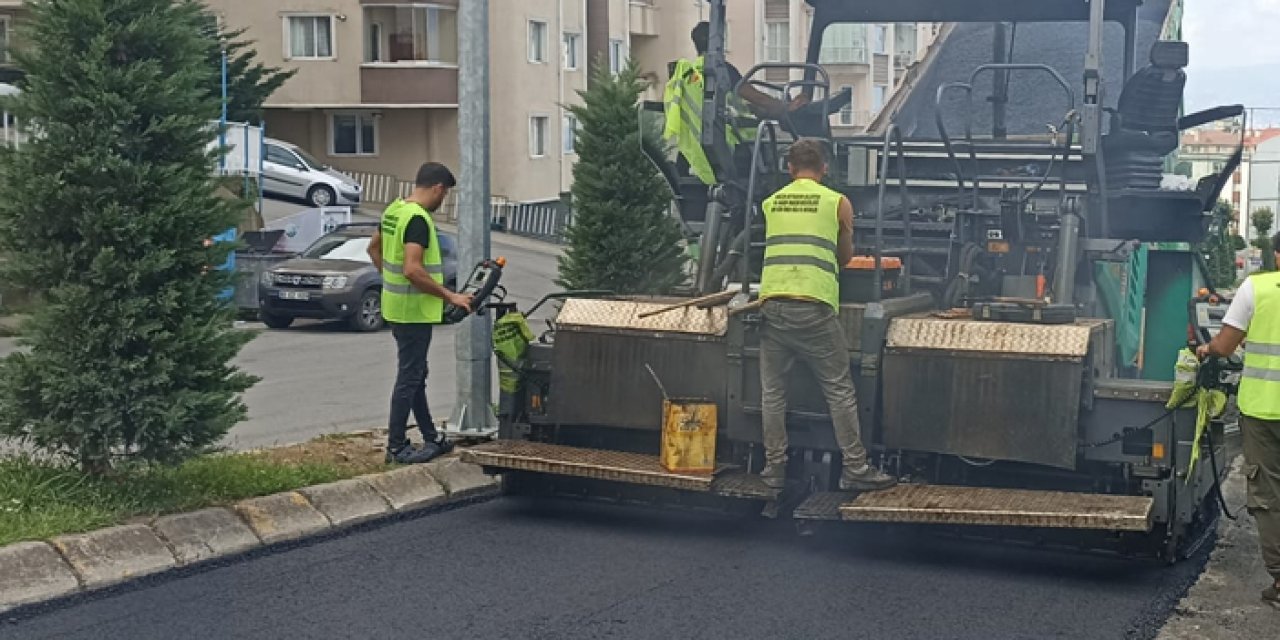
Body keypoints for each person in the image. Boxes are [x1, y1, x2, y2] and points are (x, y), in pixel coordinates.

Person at [755, 138, 895, 492]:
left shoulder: (771, 203)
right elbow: (845, 258)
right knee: (839, 389)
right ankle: (855, 468)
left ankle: (774, 470)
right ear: (825, 168)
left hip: (771, 306)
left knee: (772, 393)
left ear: (789, 167)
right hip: (813, 307)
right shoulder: (837, 203)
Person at [366, 162, 474, 464]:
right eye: (445, 193)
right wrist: (450, 295)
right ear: (438, 188)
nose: (443, 201)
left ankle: (430, 436)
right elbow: (413, 269)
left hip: (396, 307)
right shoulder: (418, 220)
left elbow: (373, 249)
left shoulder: (395, 210)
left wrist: (389, 280)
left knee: (415, 375)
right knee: (409, 377)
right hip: (413, 311)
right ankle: (397, 446)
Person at [1197, 232, 1280, 606]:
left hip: (1263, 412)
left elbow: (1226, 345)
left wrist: (1206, 348)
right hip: (1262, 410)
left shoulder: (1257, 289)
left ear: (1276, 256)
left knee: (1267, 496)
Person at [664, 21, 853, 185]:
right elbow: (757, 98)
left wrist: (769, 111)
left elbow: (744, 107)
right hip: (732, 147)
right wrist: (787, 107)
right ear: (719, 41)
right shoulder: (719, 71)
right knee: (779, 151)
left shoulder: (689, 74)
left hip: (695, 151)